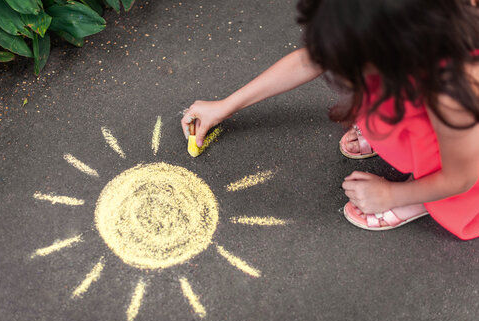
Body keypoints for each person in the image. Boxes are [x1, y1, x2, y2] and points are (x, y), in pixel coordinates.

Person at [181, 0, 479, 240]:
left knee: (454, 163)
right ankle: (400, 136)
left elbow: (460, 178)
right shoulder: (392, 23)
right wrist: (226, 105)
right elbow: (311, 59)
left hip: (466, 155)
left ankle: (418, 193)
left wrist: (391, 193)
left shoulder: (456, 91)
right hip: (423, 90)